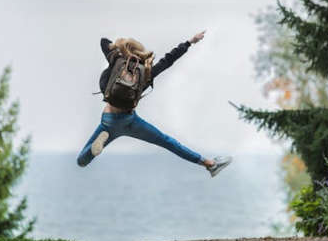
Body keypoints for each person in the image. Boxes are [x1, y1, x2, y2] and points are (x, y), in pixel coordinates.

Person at [76, 30, 232, 177]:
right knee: (167, 142)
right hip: (130, 121)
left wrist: (120, 49)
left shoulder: (116, 61)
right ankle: (209, 164)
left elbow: (104, 41)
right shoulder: (145, 72)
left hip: (109, 121)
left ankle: (95, 149)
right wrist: (190, 42)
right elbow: (168, 60)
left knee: (81, 161)